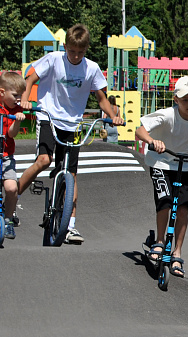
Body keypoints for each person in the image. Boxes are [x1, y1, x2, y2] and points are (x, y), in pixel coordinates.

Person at [18, 24, 124, 244]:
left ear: (86, 50)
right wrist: (26, 100)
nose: (75, 56)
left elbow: (101, 98)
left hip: (72, 123)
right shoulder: (54, 59)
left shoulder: (91, 68)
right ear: (65, 46)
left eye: (81, 52)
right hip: (48, 116)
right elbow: (30, 78)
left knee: (71, 174)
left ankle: (71, 227)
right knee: (44, 160)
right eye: (72, 51)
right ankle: (12, 199)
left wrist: (114, 115)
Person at [134, 76, 188, 278]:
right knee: (165, 201)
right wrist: (153, 141)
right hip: (161, 163)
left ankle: (177, 252)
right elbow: (139, 130)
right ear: (176, 99)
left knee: (183, 207)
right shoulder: (166, 115)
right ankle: (160, 242)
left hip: (185, 165)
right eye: (185, 100)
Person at [0, 72, 26, 239]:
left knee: (11, 188)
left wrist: (17, 120)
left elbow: (12, 134)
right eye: (15, 95)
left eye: (20, 95)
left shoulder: (16, 109)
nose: (18, 98)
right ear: (2, 92)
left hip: (6, 155)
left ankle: (8, 219)